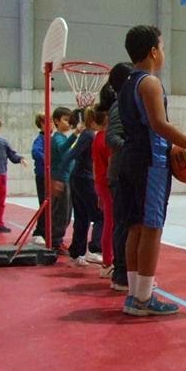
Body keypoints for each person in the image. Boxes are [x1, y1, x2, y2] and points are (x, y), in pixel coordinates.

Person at [116, 25, 186, 317]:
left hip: (130, 158)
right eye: (161, 47)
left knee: (135, 227)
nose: (163, 52)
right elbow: (159, 124)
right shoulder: (149, 83)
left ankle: (134, 294)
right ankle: (144, 299)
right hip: (150, 163)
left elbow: (144, 127)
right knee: (152, 227)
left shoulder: (127, 83)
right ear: (153, 51)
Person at [104, 62, 134, 292]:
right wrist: (135, 150)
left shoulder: (129, 104)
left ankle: (126, 273)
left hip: (127, 172)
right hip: (122, 173)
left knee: (128, 224)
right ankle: (121, 273)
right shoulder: (119, 105)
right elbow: (112, 138)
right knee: (124, 224)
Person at [67, 107, 103, 266]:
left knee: (82, 216)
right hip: (85, 179)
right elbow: (72, 154)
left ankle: (76, 252)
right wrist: (58, 175)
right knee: (100, 216)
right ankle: (95, 249)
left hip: (78, 178)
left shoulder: (88, 134)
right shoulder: (89, 135)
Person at [50, 106, 80, 254]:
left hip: (67, 178)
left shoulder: (63, 138)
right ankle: (56, 241)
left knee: (66, 212)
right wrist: (75, 134)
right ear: (57, 121)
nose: (69, 123)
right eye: (66, 120)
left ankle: (57, 240)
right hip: (61, 179)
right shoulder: (57, 138)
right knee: (62, 212)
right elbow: (63, 150)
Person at [91, 95, 114, 278]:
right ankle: (108, 262)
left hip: (100, 183)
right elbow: (111, 165)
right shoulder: (107, 138)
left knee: (109, 222)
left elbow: (95, 165)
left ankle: (108, 260)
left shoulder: (97, 137)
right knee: (111, 224)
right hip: (108, 184)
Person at [30, 112, 48, 245]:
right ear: (42, 124)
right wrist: (48, 160)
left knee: (52, 206)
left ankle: (47, 231)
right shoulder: (40, 139)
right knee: (44, 204)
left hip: (51, 176)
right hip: (42, 176)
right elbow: (35, 152)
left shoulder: (52, 138)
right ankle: (39, 232)